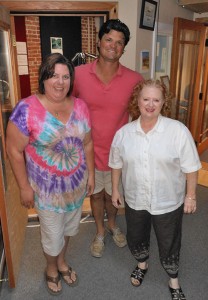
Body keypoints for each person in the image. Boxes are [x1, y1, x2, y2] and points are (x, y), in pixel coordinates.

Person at [6, 53, 94, 295]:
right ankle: (51, 268)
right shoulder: (26, 109)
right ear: (43, 78)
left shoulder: (80, 106)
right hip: (46, 192)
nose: (60, 82)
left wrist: (92, 175)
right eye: (54, 75)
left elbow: (87, 143)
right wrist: (24, 187)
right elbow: (13, 150)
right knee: (51, 234)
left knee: (68, 230)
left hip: (75, 188)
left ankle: (62, 261)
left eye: (66, 76)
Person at [108, 79, 201, 300]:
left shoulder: (177, 131)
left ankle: (173, 279)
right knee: (136, 234)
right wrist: (115, 190)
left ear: (163, 103)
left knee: (169, 240)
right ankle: (142, 263)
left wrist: (191, 195)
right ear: (137, 101)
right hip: (135, 198)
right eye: (146, 99)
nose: (150, 104)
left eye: (156, 100)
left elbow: (191, 167)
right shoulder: (124, 134)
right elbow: (116, 164)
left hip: (168, 200)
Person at [73, 19, 143, 258]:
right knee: (96, 194)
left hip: (119, 154)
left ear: (124, 48)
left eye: (119, 42)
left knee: (114, 195)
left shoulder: (135, 80)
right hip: (88, 152)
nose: (113, 45)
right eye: (109, 39)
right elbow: (66, 107)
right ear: (99, 42)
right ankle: (100, 231)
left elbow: (142, 115)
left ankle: (112, 224)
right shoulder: (79, 74)